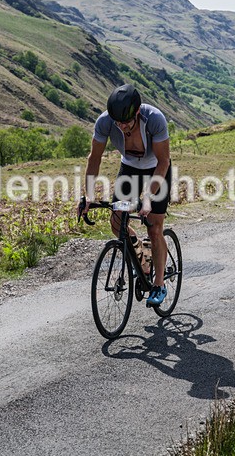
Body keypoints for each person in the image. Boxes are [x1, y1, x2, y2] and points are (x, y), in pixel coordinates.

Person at [81, 83, 172, 307]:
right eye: (117, 122)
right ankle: (141, 251)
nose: (121, 127)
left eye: (126, 122)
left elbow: (163, 162)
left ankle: (159, 284)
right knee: (116, 219)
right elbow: (94, 159)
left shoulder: (155, 120)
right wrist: (88, 195)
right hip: (130, 168)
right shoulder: (105, 122)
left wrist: (149, 198)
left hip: (156, 169)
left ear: (137, 112)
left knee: (154, 227)